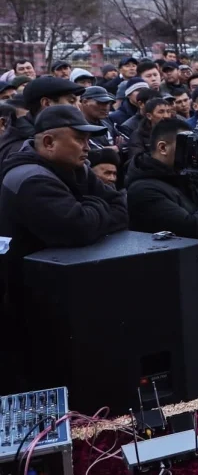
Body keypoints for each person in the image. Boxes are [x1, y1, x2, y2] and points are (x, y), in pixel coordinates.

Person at [0, 106, 129, 368]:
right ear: (49, 142)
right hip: (25, 301)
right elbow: (77, 229)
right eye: (79, 140)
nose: (87, 147)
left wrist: (90, 209)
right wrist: (94, 208)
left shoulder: (74, 167)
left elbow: (122, 208)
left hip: (61, 290)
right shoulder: (29, 179)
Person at [126, 118, 198, 342]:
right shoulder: (144, 188)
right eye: (188, 145)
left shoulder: (181, 176)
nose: (194, 152)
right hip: (174, 289)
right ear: (163, 148)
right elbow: (191, 228)